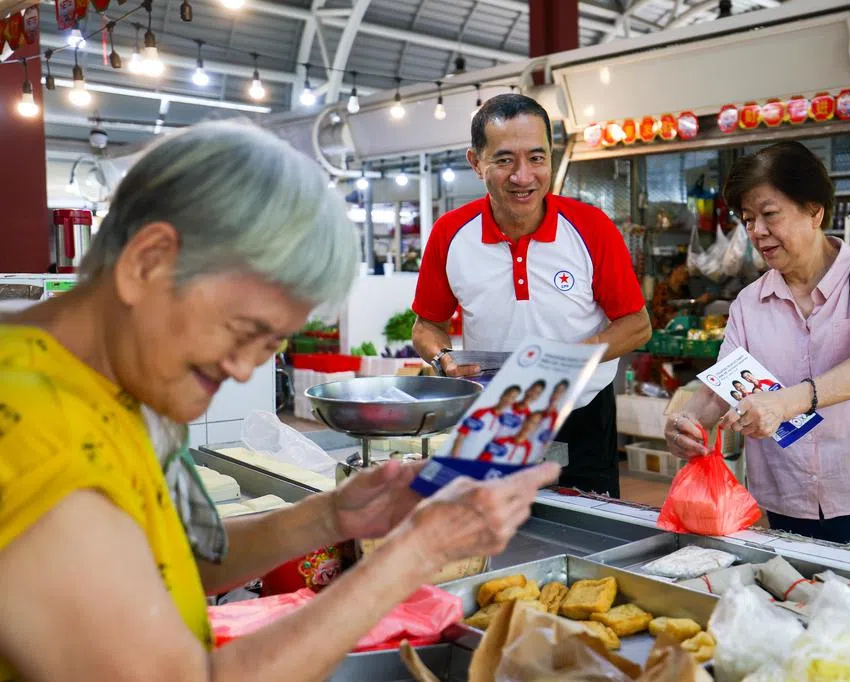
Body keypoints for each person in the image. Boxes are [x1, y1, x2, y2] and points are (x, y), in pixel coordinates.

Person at [0, 122, 560, 682]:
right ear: (148, 262)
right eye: (243, 330)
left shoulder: (126, 390)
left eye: (269, 346)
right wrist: (413, 554)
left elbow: (178, 560)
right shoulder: (34, 432)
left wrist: (332, 516)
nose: (243, 369)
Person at [663, 141, 850, 559]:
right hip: (787, 501)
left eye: (769, 214)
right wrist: (687, 424)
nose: (757, 231)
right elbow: (721, 389)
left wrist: (785, 403)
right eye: (748, 219)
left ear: (814, 211)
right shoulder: (749, 303)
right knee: (801, 595)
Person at [412, 93, 651, 498]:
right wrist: (442, 358)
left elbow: (637, 326)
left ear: (550, 159)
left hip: (583, 414)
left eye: (536, 158)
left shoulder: (591, 228)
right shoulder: (450, 234)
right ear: (476, 163)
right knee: (488, 521)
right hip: (495, 413)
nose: (523, 176)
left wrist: (568, 360)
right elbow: (426, 326)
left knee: (586, 523)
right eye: (504, 160)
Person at [450, 384, 521, 458]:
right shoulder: (481, 412)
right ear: (502, 395)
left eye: (513, 398)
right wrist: (455, 458)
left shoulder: (504, 424)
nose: (508, 400)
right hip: (456, 457)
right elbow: (461, 436)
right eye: (508, 395)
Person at [649, 256, 714, 329]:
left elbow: (691, 310)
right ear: (676, 269)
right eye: (685, 268)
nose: (688, 273)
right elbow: (661, 315)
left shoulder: (685, 291)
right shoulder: (662, 289)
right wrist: (680, 314)